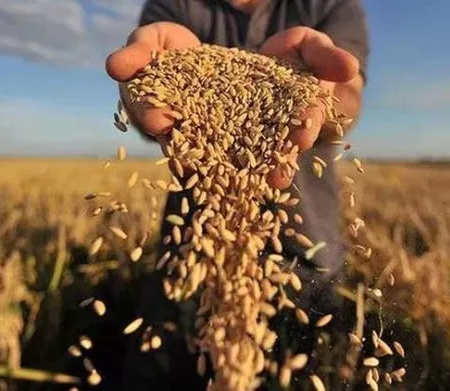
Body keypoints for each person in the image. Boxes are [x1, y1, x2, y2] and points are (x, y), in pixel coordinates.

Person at [105, 0, 369, 389]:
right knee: (166, 365)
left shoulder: (328, 4)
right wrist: (157, 80)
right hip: (196, 241)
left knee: (304, 367)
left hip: (307, 241)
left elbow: (347, 97)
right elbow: (154, 113)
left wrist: (323, 89)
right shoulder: (174, 4)